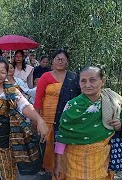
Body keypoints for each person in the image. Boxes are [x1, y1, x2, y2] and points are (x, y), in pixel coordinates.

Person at [53, 66, 122, 180]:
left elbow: (121, 122)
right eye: (83, 81)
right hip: (73, 162)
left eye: (92, 80)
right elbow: (62, 135)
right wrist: (58, 163)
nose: (87, 85)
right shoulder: (72, 105)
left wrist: (120, 124)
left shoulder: (112, 103)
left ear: (102, 81)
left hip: (101, 161)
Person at [34, 49, 81, 178]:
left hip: (68, 119)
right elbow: (38, 100)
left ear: (67, 62)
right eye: (57, 59)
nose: (60, 61)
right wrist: (38, 121)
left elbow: (80, 99)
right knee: (51, 151)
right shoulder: (46, 76)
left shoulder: (73, 77)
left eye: (63, 59)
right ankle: (54, 174)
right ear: (53, 61)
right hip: (48, 120)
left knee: (66, 149)